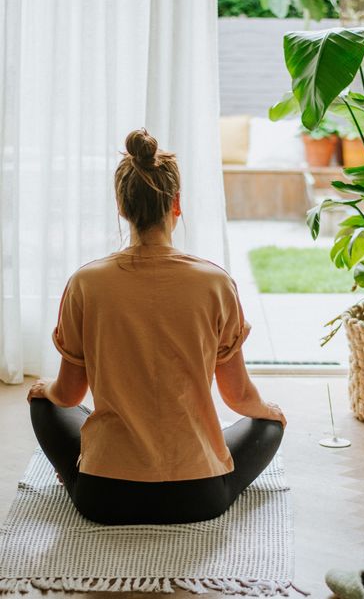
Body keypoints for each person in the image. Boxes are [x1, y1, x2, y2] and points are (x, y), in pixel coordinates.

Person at [27, 128, 287, 525]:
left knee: (44, 405)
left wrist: (43, 388)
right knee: (267, 425)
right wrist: (270, 411)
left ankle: (77, 473)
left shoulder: (85, 283)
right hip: (199, 497)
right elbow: (238, 397)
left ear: (121, 205)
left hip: (103, 497)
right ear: (176, 204)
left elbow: (68, 393)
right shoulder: (215, 283)